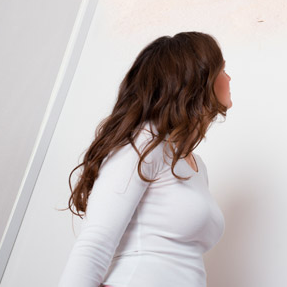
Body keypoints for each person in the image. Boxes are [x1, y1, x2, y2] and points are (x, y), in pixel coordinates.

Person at [59, 32, 232, 287]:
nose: (228, 78)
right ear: (198, 80)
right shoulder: (144, 143)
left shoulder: (196, 166)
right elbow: (95, 242)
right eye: (222, 69)